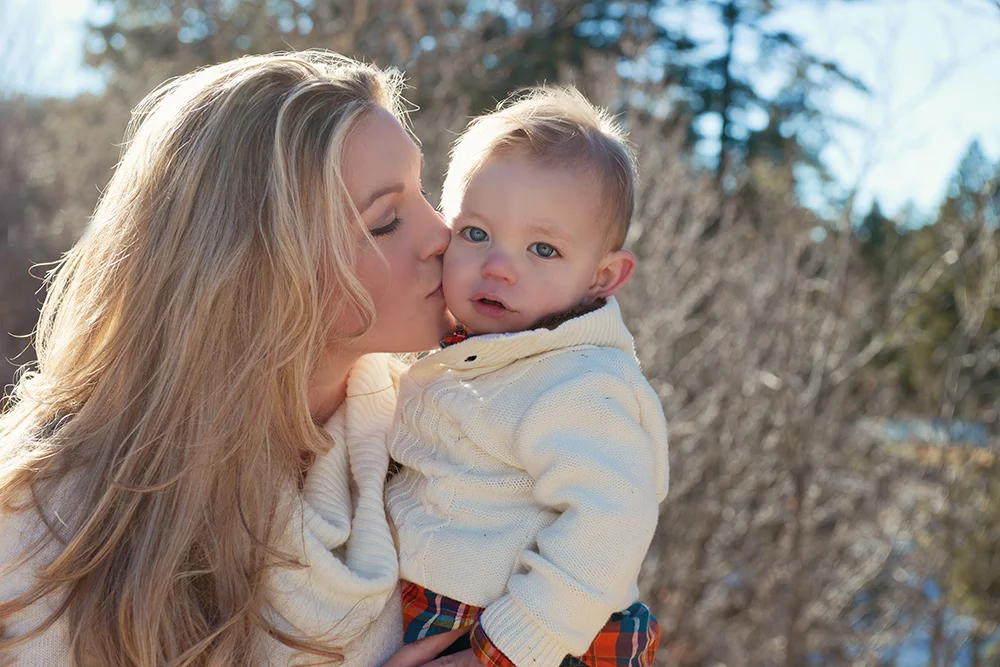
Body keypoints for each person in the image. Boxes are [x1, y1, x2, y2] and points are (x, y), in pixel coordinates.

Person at [0, 50, 464, 667]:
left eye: (424, 194)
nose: (441, 234)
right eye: (385, 221)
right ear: (259, 269)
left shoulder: (452, 447)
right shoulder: (48, 526)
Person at [386, 87, 669, 667]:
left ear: (602, 277)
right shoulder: (481, 351)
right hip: (445, 609)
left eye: (542, 249)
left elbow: (612, 521)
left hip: (532, 634)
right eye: (476, 233)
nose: (497, 266)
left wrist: (505, 652)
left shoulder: (580, 383)